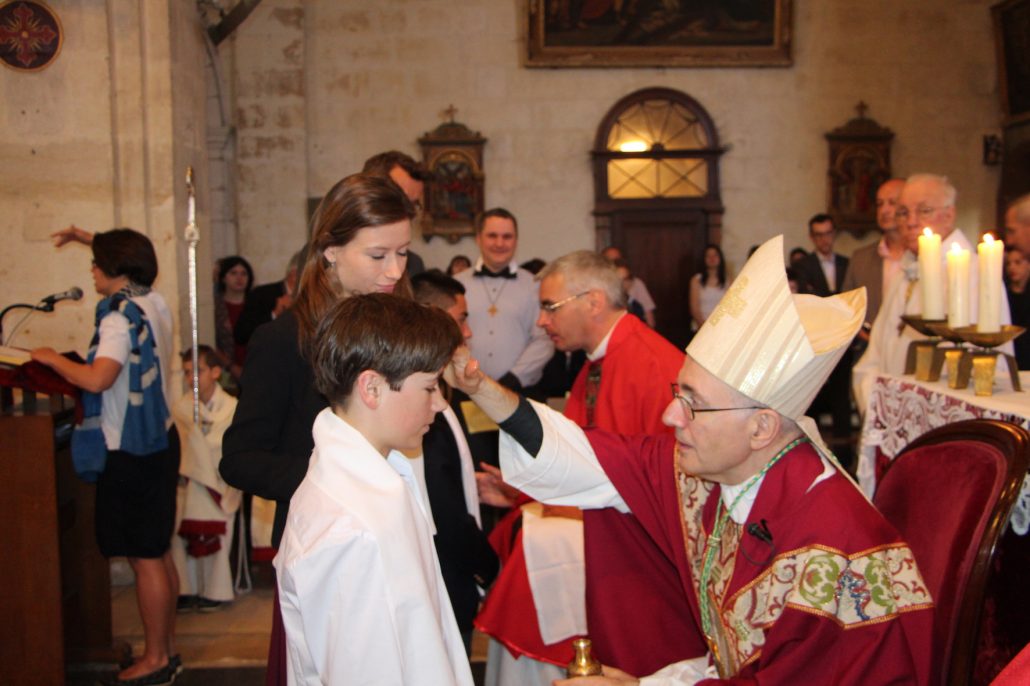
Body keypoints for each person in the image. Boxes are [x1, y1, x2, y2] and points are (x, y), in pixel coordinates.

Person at [460, 235, 934, 685]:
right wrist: (481, 387)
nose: (670, 415)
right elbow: (587, 456)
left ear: (762, 427)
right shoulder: (721, 473)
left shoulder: (830, 551)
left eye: (693, 402)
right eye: (676, 393)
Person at [220, 173, 416, 685]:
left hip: (401, 539)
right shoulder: (282, 340)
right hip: (328, 555)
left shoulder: (401, 325)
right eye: (378, 256)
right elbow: (240, 458)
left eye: (403, 254)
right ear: (329, 249)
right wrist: (335, 481)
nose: (394, 271)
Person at [476, 251, 698, 685]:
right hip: (605, 544)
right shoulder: (598, 362)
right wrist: (523, 490)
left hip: (643, 565)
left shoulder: (653, 367)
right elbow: (579, 456)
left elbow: (665, 483)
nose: (541, 321)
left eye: (550, 307)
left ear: (593, 302)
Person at [275, 293, 472, 685]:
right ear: (372, 388)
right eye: (430, 387)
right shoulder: (350, 529)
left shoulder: (379, 477)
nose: (439, 405)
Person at [33, 226, 180, 684]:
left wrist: (50, 359)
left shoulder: (119, 318)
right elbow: (131, 253)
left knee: (144, 556)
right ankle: (166, 651)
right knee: (157, 550)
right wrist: (84, 236)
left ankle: (154, 660)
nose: (91, 269)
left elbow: (99, 379)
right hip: (158, 439)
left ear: (117, 269)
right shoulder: (151, 301)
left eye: (97, 261)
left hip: (130, 447)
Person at [852, 174, 1014, 420]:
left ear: (949, 215)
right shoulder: (905, 273)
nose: (911, 222)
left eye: (924, 211)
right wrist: (880, 410)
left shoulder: (972, 274)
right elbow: (872, 358)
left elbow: (971, 362)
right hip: (891, 416)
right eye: (903, 213)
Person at [411, 270, 500, 652]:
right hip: (441, 583)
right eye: (461, 318)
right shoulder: (417, 402)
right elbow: (442, 507)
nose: (467, 333)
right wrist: (489, 565)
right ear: (433, 316)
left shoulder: (438, 388)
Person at [171, 345, 240, 613]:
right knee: (183, 539)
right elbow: (186, 444)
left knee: (217, 539)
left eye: (198, 371)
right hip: (191, 479)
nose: (192, 379)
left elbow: (222, 443)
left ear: (215, 372)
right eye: (188, 373)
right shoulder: (181, 408)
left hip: (219, 482)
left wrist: (204, 442)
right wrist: (200, 443)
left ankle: (216, 591)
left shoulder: (232, 407)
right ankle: (186, 589)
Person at [455, 208, 553, 391]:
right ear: (478, 238)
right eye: (492, 235)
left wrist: (513, 378)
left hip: (518, 390)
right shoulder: (456, 285)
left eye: (507, 236)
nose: (500, 243)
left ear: (516, 240)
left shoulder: (535, 286)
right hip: (464, 389)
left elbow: (544, 340)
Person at [793, 214, 853, 447]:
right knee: (814, 389)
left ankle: (844, 442)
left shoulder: (846, 263)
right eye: (818, 235)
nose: (824, 240)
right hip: (816, 338)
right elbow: (809, 300)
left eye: (827, 233)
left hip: (844, 335)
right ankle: (812, 442)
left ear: (834, 234)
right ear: (811, 237)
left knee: (842, 390)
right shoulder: (803, 265)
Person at [841, 179, 907, 332]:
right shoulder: (860, 259)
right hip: (869, 348)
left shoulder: (925, 256)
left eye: (892, 202)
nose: (884, 210)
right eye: (879, 204)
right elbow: (845, 310)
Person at [363, 150, 431, 276]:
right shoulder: (335, 256)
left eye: (413, 204)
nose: (409, 212)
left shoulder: (413, 266)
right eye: (400, 200)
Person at [233, 247, 306, 349]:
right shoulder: (261, 294)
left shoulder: (311, 299)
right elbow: (241, 335)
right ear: (294, 274)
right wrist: (274, 314)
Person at [214, 255, 253, 380]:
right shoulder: (215, 307)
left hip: (254, 367)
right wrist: (231, 366)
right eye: (233, 273)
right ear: (224, 278)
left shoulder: (255, 304)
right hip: (225, 372)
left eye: (244, 274)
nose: (239, 278)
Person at [602, 246, 656, 328]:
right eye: (611, 261)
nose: (622, 284)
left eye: (618, 260)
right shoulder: (597, 287)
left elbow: (649, 320)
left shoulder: (636, 288)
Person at [688, 244, 728, 331]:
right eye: (708, 256)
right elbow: (694, 308)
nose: (712, 258)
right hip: (701, 326)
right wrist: (703, 327)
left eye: (715, 255)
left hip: (723, 327)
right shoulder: (696, 280)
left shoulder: (728, 280)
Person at [1005, 245, 1030, 369]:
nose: (1012, 267)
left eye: (1017, 262)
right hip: (1012, 353)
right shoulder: (1004, 294)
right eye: (1008, 263)